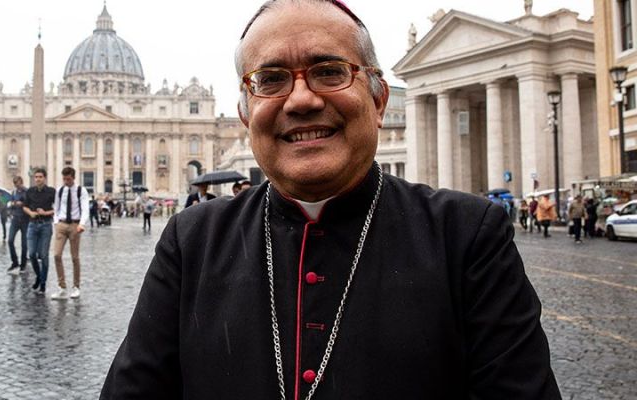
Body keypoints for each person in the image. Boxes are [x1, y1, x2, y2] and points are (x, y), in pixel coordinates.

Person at [100, 1, 559, 398]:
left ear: (379, 101)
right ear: (244, 114)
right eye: (271, 79)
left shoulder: (467, 235)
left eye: (329, 72)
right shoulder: (192, 239)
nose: (301, 99)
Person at [51, 167, 88, 300]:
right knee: (56, 255)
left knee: (74, 257)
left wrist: (82, 223)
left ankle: (76, 287)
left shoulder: (80, 190)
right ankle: (62, 287)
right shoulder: (60, 190)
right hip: (61, 224)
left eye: (68, 179)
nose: (66, 181)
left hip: (74, 224)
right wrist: (56, 222)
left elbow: (85, 208)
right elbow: (56, 206)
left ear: (73, 177)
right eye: (64, 179)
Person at [23, 168, 55, 294]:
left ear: (45, 178)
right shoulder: (30, 191)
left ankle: (43, 283)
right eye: (36, 177)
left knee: (44, 255)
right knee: (31, 254)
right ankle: (39, 275)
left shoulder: (51, 191)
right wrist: (30, 212)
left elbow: (58, 208)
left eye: (40, 177)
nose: (37, 179)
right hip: (32, 225)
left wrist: (46, 212)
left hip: (46, 225)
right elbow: (25, 206)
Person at [7, 176, 29, 276]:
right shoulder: (13, 193)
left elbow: (30, 204)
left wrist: (23, 204)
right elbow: (10, 203)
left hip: (25, 220)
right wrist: (13, 205)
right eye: (15, 183)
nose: (16, 185)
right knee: (10, 240)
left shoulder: (27, 192)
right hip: (15, 219)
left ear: (21, 182)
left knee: (24, 244)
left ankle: (23, 264)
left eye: (18, 183)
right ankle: (15, 262)